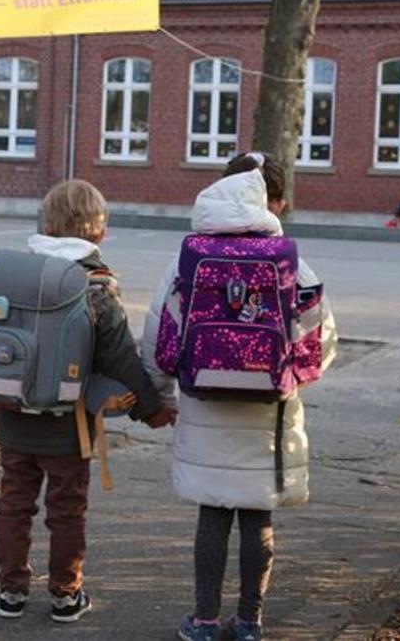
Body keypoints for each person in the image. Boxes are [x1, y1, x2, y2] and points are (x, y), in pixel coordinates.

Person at [140, 153, 338, 641]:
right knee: (256, 514)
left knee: (213, 509)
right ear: (275, 201)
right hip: (269, 410)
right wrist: (290, 379)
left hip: (205, 401)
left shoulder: (188, 257)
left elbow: (157, 338)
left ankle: (204, 622)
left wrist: (161, 396)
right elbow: (322, 342)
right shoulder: (294, 263)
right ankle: (249, 622)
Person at [0, 179, 176, 623]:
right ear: (98, 231)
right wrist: (151, 409)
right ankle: (64, 594)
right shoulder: (95, 285)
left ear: (49, 222)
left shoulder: (19, 273)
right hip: (68, 424)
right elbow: (121, 360)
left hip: (15, 415)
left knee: (14, 504)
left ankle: (11, 592)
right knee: (67, 509)